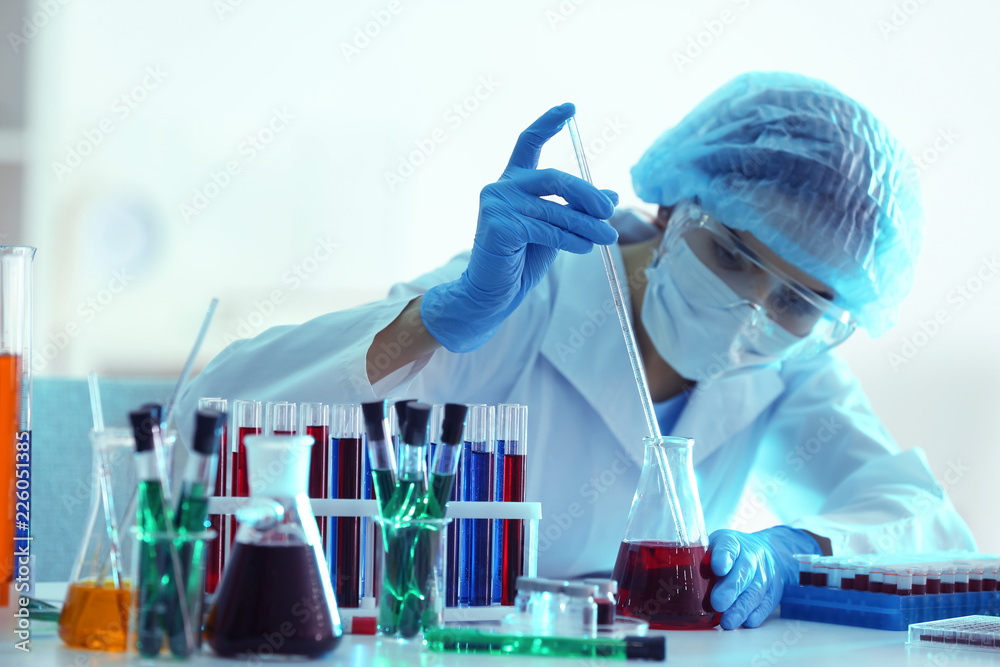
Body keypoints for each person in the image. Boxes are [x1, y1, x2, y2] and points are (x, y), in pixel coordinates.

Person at [179, 72, 975, 629]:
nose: (752, 313)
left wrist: (797, 550)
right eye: (733, 255)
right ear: (671, 207)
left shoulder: (786, 362)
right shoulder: (528, 292)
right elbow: (208, 422)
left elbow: (933, 529)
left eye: (801, 300)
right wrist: (436, 323)